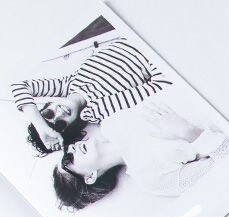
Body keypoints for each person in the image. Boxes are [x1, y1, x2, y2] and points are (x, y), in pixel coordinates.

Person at [52, 101, 229, 210]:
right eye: (68, 159)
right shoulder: (150, 180)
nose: (71, 149)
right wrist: (188, 131)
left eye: (66, 150)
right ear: (90, 177)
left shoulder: (111, 122)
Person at [11, 37, 172, 156]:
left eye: (48, 114)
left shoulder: (65, 84)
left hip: (130, 33)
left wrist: (42, 127)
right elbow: (161, 84)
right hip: (159, 50)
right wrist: (151, 52)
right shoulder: (100, 111)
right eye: (60, 124)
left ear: (48, 104)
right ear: (73, 128)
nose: (59, 114)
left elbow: (18, 86)